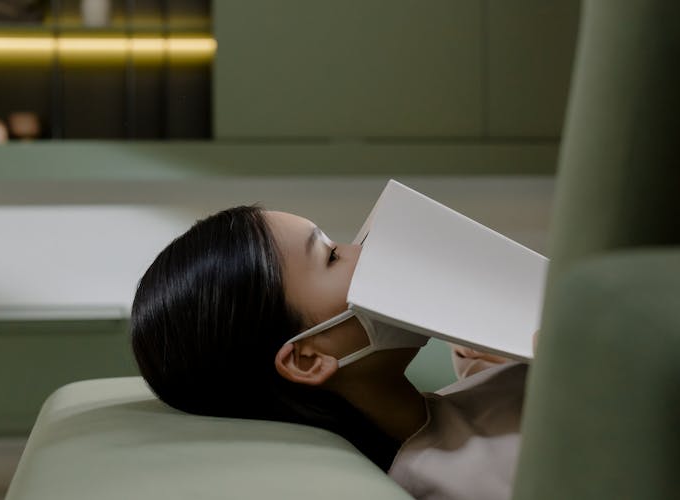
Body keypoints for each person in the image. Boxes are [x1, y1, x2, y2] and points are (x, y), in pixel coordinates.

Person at [131, 205, 531, 500]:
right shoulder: (457, 480)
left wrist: (476, 356)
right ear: (307, 359)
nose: (367, 254)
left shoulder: (439, 422)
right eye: (332, 257)